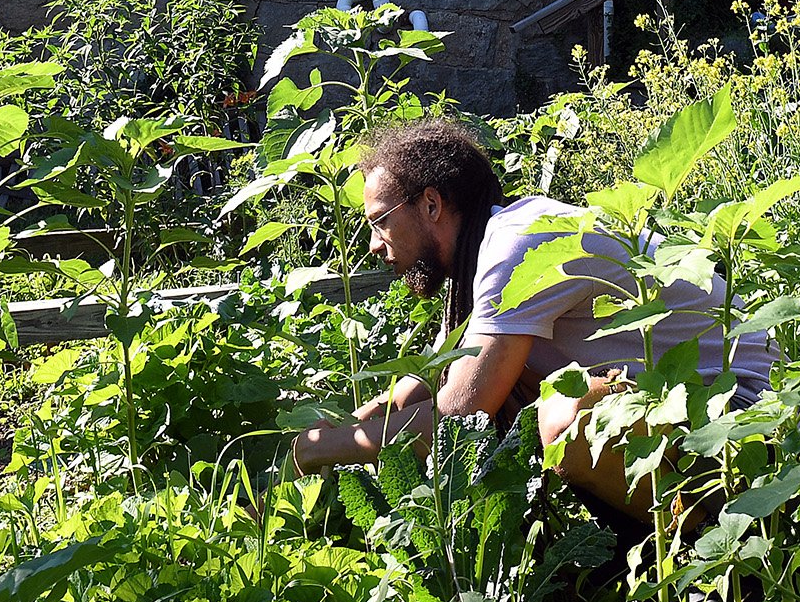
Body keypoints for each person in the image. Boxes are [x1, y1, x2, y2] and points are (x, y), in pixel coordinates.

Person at [285, 119, 775, 516]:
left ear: (431, 204)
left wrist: (321, 451)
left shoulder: (515, 244)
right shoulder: (494, 241)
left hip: (743, 432)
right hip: (691, 414)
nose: (374, 245)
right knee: (516, 380)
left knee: (565, 414)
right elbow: (433, 376)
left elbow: (459, 418)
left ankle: (705, 551)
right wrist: (347, 425)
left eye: (379, 221)